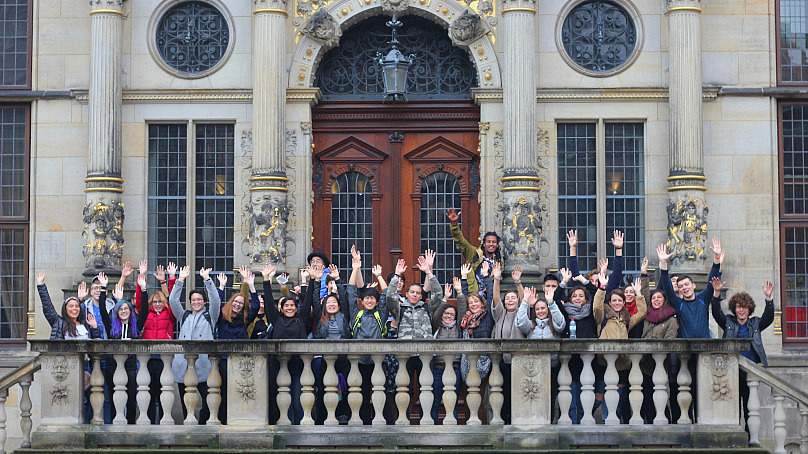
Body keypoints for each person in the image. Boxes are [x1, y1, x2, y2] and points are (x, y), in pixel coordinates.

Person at [36, 271, 101, 424]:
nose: (74, 309)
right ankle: (71, 425)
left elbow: (97, 341)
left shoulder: (85, 325)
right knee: (71, 397)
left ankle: (85, 425)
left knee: (88, 399)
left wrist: (95, 327)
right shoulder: (59, 323)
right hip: (66, 366)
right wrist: (41, 286)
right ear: (65, 309)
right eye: (71, 306)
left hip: (86, 366)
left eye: (77, 306)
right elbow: (48, 308)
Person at [711, 278, 775, 425]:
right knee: (731, 406)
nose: (741, 310)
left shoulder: (755, 324)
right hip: (731, 370)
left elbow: (769, 317)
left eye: (744, 307)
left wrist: (768, 298)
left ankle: (748, 434)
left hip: (749, 370)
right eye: (739, 307)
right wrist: (716, 293)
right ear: (734, 308)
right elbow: (716, 313)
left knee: (748, 406)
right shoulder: (728, 322)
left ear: (749, 309)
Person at [169, 265, 221, 425]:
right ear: (190, 302)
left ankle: (203, 424)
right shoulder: (184, 315)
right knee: (186, 400)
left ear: (204, 302)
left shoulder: (209, 316)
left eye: (199, 299)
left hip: (204, 365)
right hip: (183, 365)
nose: (196, 302)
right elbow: (172, 300)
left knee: (208, 399)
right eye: (193, 300)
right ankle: (187, 423)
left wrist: (207, 280)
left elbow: (216, 300)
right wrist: (180, 280)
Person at [214, 265, 261, 424]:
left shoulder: (245, 319)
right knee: (224, 391)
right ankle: (224, 419)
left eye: (241, 303)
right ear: (231, 302)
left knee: (240, 390)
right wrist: (221, 286)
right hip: (225, 360)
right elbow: (215, 304)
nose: (237, 304)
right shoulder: (221, 316)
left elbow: (255, 305)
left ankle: (241, 418)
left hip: (242, 360)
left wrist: (251, 285)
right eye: (236, 301)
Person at [265, 263, 309, 424]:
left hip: (298, 366)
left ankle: (297, 427)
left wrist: (306, 281)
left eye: (292, 305)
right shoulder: (276, 320)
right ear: (282, 308)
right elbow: (269, 302)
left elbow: (308, 299)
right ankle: (283, 426)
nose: (290, 308)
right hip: (279, 365)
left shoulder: (301, 320)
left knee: (297, 401)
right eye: (286, 306)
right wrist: (266, 279)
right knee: (281, 399)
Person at [347, 250, 387, 424]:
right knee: (360, 392)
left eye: (373, 299)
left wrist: (379, 276)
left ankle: (382, 422)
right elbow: (350, 292)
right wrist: (356, 269)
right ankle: (363, 422)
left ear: (376, 302)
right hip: (359, 361)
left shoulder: (381, 314)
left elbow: (387, 295)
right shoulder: (357, 313)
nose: (369, 301)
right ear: (362, 301)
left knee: (381, 392)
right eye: (366, 298)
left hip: (378, 360)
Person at [134, 261, 175, 423]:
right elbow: (139, 302)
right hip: (148, 358)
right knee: (149, 392)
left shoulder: (169, 313)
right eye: (154, 302)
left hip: (164, 359)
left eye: (159, 302)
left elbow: (173, 299)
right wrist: (141, 277)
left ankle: (164, 421)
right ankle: (150, 421)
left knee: (163, 392)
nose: (157, 304)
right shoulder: (146, 314)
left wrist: (167, 281)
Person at [97, 277, 140, 424]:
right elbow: (102, 310)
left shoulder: (135, 327)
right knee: (115, 396)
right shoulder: (111, 327)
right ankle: (116, 423)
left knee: (131, 397)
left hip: (130, 367)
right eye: (120, 309)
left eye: (126, 309)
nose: (123, 311)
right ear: (117, 311)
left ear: (130, 311)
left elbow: (145, 311)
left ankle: (131, 424)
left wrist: (143, 289)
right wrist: (103, 288)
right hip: (112, 366)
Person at [490, 262, 525, 424]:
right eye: (508, 298)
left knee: (517, 393)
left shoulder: (522, 314)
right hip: (501, 362)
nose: (510, 300)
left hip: (519, 362)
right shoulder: (500, 315)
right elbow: (496, 299)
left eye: (513, 298)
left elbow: (525, 300)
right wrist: (496, 279)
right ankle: (503, 421)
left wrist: (518, 282)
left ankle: (517, 420)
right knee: (501, 393)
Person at [639, 289, 679, 423]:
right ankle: (650, 422)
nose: (656, 300)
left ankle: (665, 421)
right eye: (654, 298)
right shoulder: (647, 317)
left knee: (659, 395)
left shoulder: (671, 319)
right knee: (646, 395)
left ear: (664, 299)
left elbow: (670, 340)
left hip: (661, 363)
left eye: (659, 297)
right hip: (645, 362)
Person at [446, 207, 501, 296]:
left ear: (497, 245)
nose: (491, 244)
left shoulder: (498, 261)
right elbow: (460, 241)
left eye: (494, 242)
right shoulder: (474, 253)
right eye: (488, 242)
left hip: (489, 298)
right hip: (473, 296)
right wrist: (454, 224)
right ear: (484, 244)